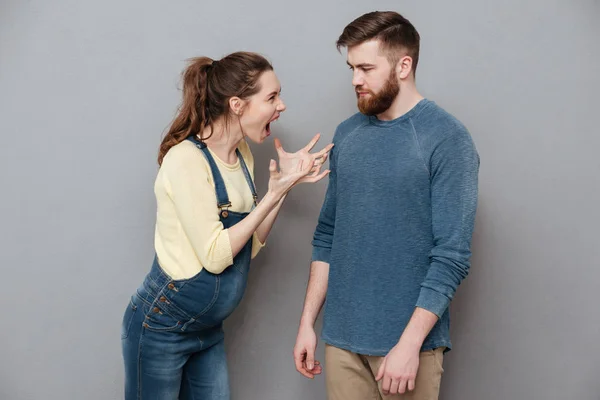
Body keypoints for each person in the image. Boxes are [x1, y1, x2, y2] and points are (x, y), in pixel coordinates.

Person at [121, 51, 333, 400]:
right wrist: (272, 195)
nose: (282, 106)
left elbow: (252, 243)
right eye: (272, 97)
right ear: (237, 104)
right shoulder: (186, 161)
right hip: (161, 327)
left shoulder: (242, 155)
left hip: (207, 330)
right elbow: (216, 256)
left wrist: (285, 188)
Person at [293, 11, 480, 400]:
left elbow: (451, 256)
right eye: (351, 68)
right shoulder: (347, 134)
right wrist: (308, 323)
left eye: (365, 68)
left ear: (404, 66)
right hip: (341, 343)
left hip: (407, 349)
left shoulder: (447, 139)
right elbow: (327, 235)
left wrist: (410, 345)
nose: (355, 80)